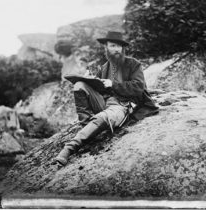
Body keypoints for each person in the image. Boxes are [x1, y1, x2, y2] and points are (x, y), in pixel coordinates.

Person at [52, 31, 159, 167]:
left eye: (119, 46)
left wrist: (112, 84)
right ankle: (86, 126)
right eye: (112, 46)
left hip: (122, 106)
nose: (116, 49)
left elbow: (138, 87)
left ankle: (69, 148)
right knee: (79, 85)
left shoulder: (133, 64)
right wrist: (90, 80)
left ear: (123, 48)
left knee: (102, 117)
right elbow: (98, 89)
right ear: (106, 48)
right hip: (104, 103)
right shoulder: (104, 67)